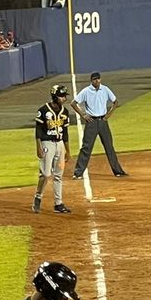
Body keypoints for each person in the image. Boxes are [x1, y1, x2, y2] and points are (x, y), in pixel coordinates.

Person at [70, 72, 128, 179]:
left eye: (98, 79)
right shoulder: (86, 91)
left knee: (109, 146)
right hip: (91, 122)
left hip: (103, 121)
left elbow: (115, 102)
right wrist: (83, 115)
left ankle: (118, 171)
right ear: (91, 80)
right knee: (86, 147)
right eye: (94, 79)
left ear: (100, 79)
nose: (96, 81)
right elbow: (73, 103)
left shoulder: (105, 89)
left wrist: (109, 114)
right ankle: (78, 173)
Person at [33, 84, 72, 214]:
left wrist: (67, 150)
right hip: (47, 144)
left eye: (64, 96)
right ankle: (38, 197)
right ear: (55, 96)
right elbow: (38, 130)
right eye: (61, 96)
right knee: (45, 174)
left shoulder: (65, 112)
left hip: (60, 144)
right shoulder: (43, 110)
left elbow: (65, 133)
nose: (64, 98)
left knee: (58, 175)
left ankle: (58, 203)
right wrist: (38, 147)